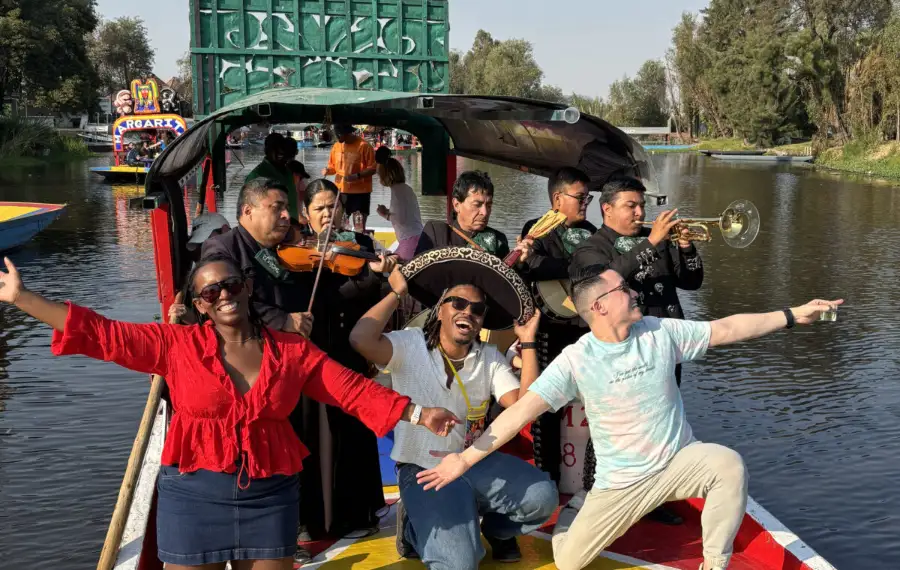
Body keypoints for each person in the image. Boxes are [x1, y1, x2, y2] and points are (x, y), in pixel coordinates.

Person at [0, 255, 459, 570]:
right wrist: (23, 298)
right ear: (199, 305)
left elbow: (351, 390)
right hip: (193, 495)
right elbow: (103, 334)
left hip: (269, 495)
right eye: (209, 291)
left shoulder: (292, 351)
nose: (223, 295)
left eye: (231, 285)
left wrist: (419, 415)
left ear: (248, 288)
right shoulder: (175, 346)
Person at [417, 267, 843, 570]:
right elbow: (518, 415)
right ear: (600, 306)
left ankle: (713, 564)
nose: (635, 292)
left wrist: (792, 315)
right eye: (625, 289)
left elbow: (727, 328)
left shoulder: (660, 331)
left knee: (728, 464)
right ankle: (575, 514)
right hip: (620, 485)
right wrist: (463, 460)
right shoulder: (577, 360)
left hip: (679, 462)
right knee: (567, 562)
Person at [350, 246, 559, 567]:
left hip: (474, 463)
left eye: (477, 309)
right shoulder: (411, 344)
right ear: (440, 309)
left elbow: (525, 407)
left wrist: (528, 341)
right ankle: (414, 529)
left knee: (542, 498)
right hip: (424, 470)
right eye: (458, 303)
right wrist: (395, 291)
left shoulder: (488, 356)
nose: (468, 312)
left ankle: (499, 532)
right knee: (460, 563)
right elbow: (361, 339)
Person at [570, 174, 704, 522]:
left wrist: (685, 247)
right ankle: (599, 496)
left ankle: (654, 499)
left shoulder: (653, 239)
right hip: (618, 350)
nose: (639, 212)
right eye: (631, 205)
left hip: (663, 344)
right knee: (614, 426)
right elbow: (600, 284)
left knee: (662, 422)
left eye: (642, 205)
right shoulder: (591, 247)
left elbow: (692, 281)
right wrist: (653, 243)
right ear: (607, 209)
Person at [290, 178, 400, 541]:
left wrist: (381, 276)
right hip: (314, 357)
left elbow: (374, 300)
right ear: (306, 215)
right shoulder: (296, 254)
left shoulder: (362, 245)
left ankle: (359, 513)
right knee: (314, 437)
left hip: (350, 355)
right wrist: (369, 279)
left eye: (331, 206)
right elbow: (329, 299)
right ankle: (313, 519)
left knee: (354, 435)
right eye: (318, 208)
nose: (326, 214)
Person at [516, 167, 597, 485]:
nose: (585, 203)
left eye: (588, 197)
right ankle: (546, 474)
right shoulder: (535, 232)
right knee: (547, 404)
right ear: (557, 198)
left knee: (596, 405)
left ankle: (593, 478)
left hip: (587, 331)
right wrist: (577, 266)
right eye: (580, 197)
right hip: (550, 328)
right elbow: (534, 266)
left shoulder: (592, 232)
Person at [200, 178, 314, 337]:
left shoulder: (283, 244)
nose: (287, 215)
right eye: (277, 208)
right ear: (248, 211)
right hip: (256, 343)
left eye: (287, 208)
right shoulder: (223, 248)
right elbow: (223, 300)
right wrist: (281, 320)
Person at [414, 170, 528, 261]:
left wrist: (519, 262)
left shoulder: (498, 240)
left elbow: (506, 282)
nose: (484, 212)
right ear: (456, 204)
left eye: (488, 205)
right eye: (477, 204)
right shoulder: (436, 233)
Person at [320, 124, 376, 227]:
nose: (336, 138)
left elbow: (372, 169)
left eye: (337, 135)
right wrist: (327, 170)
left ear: (345, 134)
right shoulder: (336, 146)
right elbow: (333, 168)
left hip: (360, 192)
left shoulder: (364, 146)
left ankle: (360, 241)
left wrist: (356, 176)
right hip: (341, 191)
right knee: (339, 223)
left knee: (359, 224)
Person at [375, 158, 423, 261]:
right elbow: (405, 215)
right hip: (419, 237)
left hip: (409, 241)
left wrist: (384, 214)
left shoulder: (397, 191)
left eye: (380, 175)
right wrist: (388, 212)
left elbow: (400, 219)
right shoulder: (406, 188)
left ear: (386, 175)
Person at [246, 133, 299, 220]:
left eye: (282, 148)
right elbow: (250, 207)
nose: (280, 152)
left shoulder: (288, 172)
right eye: (275, 149)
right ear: (267, 151)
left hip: (291, 225)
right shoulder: (257, 175)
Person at [282, 136, 311, 220]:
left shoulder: (275, 171)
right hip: (295, 216)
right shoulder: (298, 169)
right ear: (297, 152)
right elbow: (303, 194)